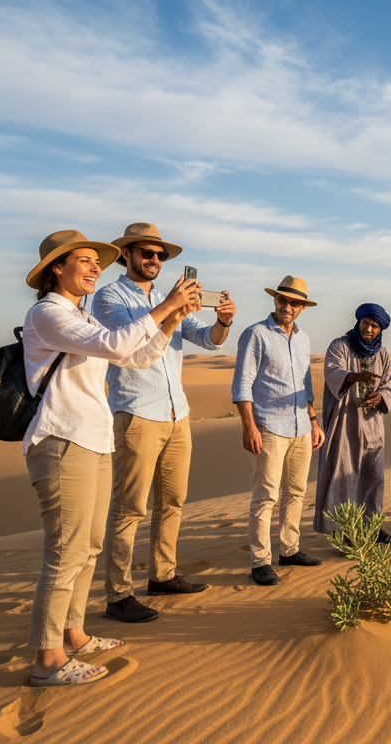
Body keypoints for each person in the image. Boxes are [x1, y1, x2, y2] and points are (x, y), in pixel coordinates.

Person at [21, 229, 198, 686]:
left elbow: (135, 358)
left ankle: (75, 634)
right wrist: (162, 308)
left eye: (96, 261)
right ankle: (46, 658)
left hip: (95, 440)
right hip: (62, 440)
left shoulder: (80, 316)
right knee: (65, 551)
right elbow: (120, 345)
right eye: (84, 260)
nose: (95, 267)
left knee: (88, 547)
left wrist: (172, 321)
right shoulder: (48, 314)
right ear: (56, 269)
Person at [92, 223, 236, 624]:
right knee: (129, 507)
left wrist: (223, 320)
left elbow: (208, 339)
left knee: (173, 501)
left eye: (160, 255)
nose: (155, 260)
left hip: (177, 413)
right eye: (147, 253)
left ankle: (163, 575)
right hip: (137, 412)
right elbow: (127, 344)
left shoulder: (165, 297)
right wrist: (171, 305)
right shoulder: (109, 296)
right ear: (127, 255)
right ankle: (118, 594)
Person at [233, 276, 326, 586]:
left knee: (296, 493)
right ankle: (260, 562)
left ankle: (290, 549)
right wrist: (250, 427)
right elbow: (242, 385)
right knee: (266, 496)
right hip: (270, 427)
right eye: (283, 300)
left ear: (302, 307)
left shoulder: (303, 339)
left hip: (301, 425)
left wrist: (314, 421)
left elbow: (306, 383)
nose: (288, 306)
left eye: (295, 302)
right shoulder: (255, 334)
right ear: (274, 300)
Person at [312, 304, 391, 543]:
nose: (368, 329)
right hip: (344, 424)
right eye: (365, 323)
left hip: (373, 424)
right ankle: (344, 533)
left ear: (380, 329)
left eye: (374, 325)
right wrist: (355, 377)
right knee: (344, 479)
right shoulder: (339, 346)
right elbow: (332, 373)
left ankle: (373, 527)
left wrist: (380, 396)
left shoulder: (382, 353)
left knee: (374, 477)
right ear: (358, 322)